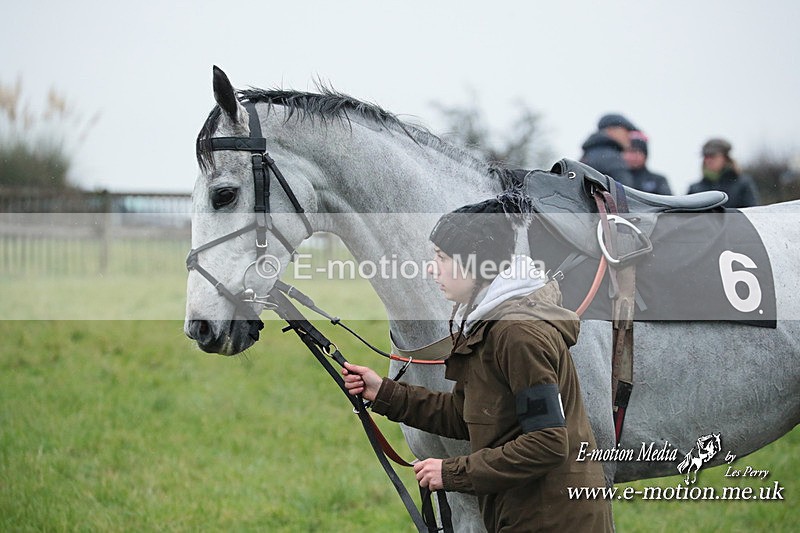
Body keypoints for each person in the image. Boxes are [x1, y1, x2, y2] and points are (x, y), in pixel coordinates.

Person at [342, 194, 613, 532]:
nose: (431, 268)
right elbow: (467, 414)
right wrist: (383, 393)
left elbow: (548, 443)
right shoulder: (490, 324)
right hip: (526, 512)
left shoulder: (518, 335)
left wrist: (452, 472)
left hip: (553, 520)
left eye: (442, 258)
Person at [688, 138, 759, 208]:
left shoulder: (742, 184)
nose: (708, 160)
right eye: (706, 156)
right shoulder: (695, 189)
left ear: (725, 158)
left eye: (713, 156)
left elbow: (751, 212)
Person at [580, 113, 637, 187]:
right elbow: (625, 190)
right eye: (626, 132)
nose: (629, 137)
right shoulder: (611, 158)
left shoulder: (590, 153)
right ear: (611, 130)